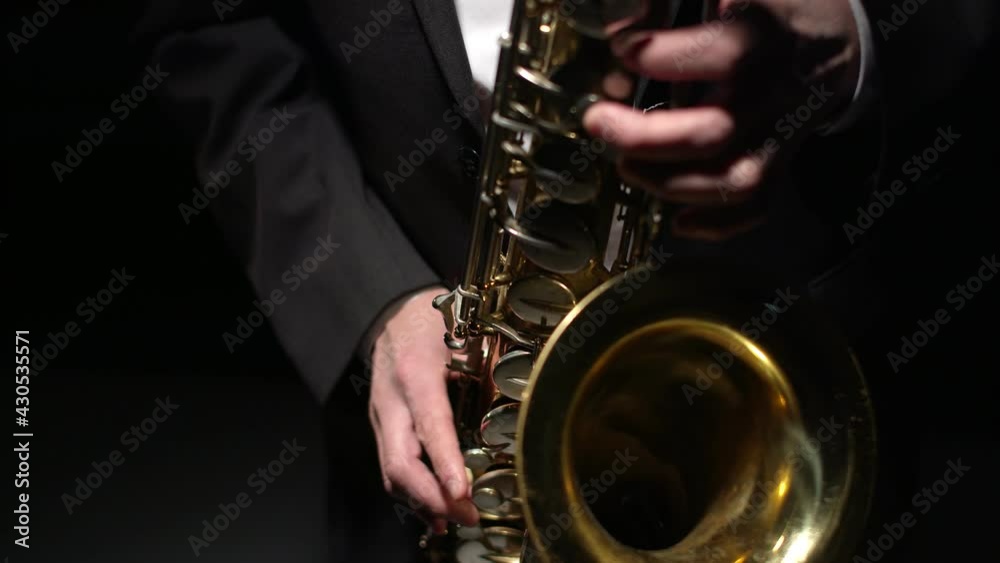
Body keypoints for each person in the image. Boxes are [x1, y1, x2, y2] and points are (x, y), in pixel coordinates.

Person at [139, 0, 996, 560]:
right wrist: (370, 297)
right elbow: (212, 32)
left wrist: (856, 32)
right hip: (445, 396)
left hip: (793, 371)